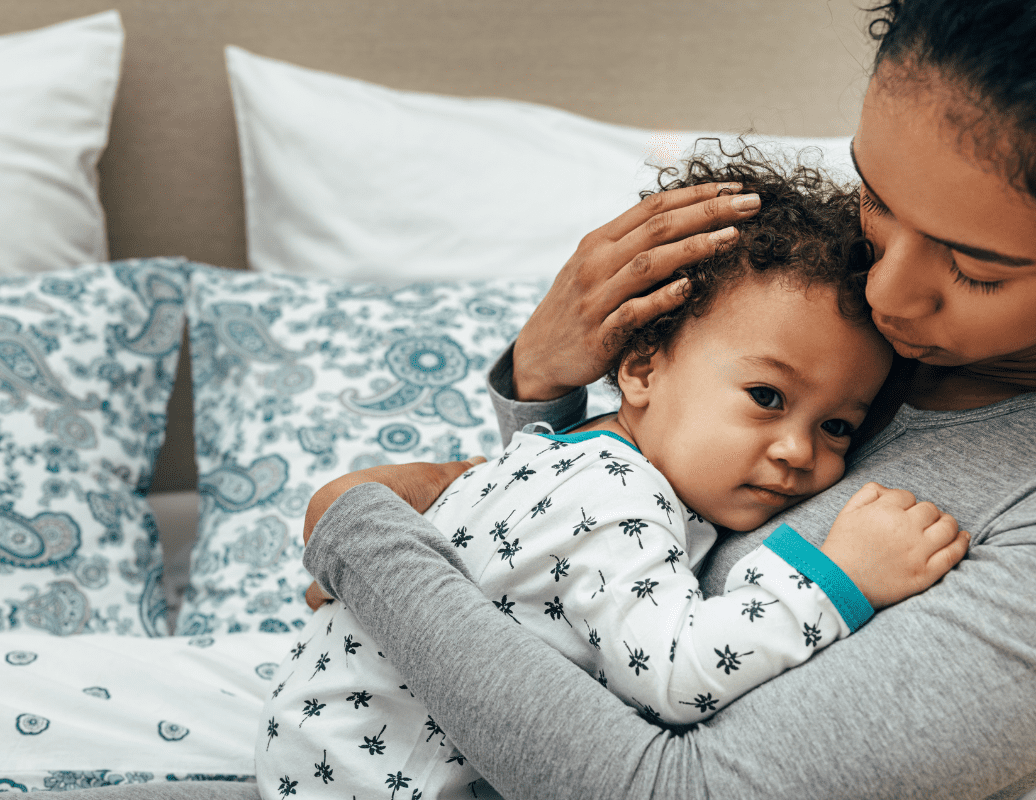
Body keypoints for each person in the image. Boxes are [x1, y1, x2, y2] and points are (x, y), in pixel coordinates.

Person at [297, 1, 1036, 798]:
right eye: (877, 200)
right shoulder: (830, 306)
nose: (887, 293)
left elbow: (667, 787)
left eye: (975, 268)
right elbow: (589, 556)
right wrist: (542, 391)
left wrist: (364, 539)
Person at [256, 155, 970, 798]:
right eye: (767, 397)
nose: (797, 450)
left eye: (837, 426)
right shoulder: (616, 498)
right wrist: (840, 576)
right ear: (641, 368)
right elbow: (675, 675)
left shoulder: (557, 452)